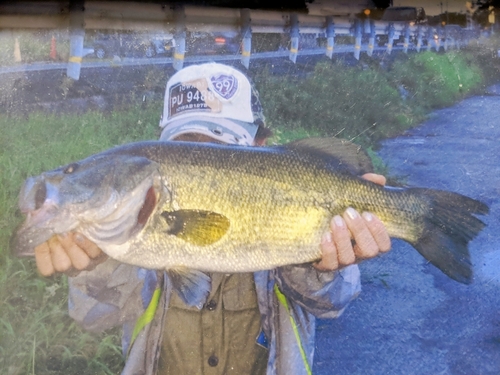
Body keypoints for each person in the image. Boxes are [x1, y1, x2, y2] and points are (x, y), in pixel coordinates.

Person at [34, 62, 391, 375]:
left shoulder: (298, 210)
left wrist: (321, 264)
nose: (204, 166)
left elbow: (334, 301)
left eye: (219, 150)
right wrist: (93, 264)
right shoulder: (132, 233)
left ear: (262, 148)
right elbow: (93, 317)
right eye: (187, 148)